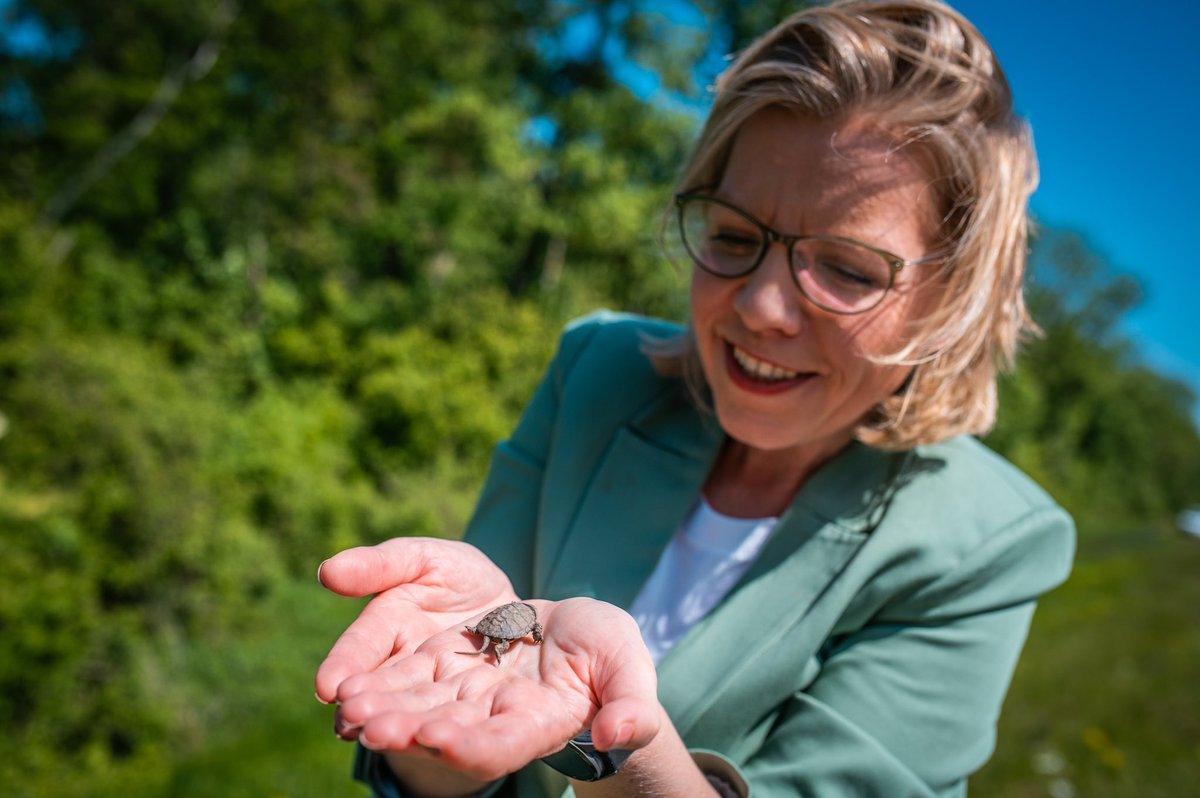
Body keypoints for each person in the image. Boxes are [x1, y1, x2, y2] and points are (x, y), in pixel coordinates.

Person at [314, 1, 1075, 795]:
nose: (760, 308)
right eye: (735, 238)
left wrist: (604, 731)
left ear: (951, 299)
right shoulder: (597, 372)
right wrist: (431, 731)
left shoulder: (989, 544)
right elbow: (445, 736)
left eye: (848, 269)